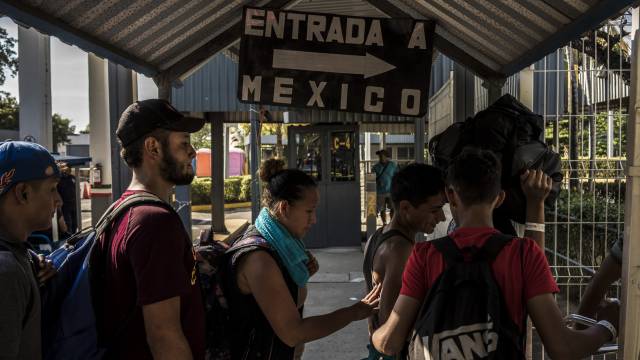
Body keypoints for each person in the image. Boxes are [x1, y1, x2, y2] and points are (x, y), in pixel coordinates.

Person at [371, 148, 619, 359]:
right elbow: (563, 348)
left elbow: (390, 342)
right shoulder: (523, 253)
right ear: (499, 198)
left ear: (451, 195)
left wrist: (374, 329)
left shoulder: (424, 256)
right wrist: (608, 326)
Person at [221, 158, 381, 360]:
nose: (314, 220)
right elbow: (294, 333)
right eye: (309, 211)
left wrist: (297, 276)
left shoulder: (280, 247)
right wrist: (354, 312)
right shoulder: (259, 259)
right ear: (284, 208)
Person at [95, 99, 206, 360]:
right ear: (153, 147)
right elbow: (164, 337)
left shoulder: (122, 211)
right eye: (184, 143)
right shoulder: (155, 223)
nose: (193, 152)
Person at [363, 163, 446, 336]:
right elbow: (391, 325)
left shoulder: (376, 237)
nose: (441, 217)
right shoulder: (400, 251)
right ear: (406, 207)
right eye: (435, 210)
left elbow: (370, 309)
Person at [0, 141, 59, 360]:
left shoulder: (20, 255)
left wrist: (35, 261)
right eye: (52, 189)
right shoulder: (6, 271)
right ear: (23, 193)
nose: (58, 200)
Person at [372, 149, 398, 226]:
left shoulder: (393, 165)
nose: (380, 157)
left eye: (382, 156)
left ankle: (392, 222)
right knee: (381, 209)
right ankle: (384, 223)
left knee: (393, 208)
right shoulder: (375, 167)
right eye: (379, 156)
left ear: (386, 157)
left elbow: (397, 175)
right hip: (380, 192)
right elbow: (372, 178)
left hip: (391, 191)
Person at [56, 162, 77, 234]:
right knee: (68, 223)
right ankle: (69, 238)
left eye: (69, 169)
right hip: (65, 205)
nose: (68, 171)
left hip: (74, 204)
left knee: (75, 223)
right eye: (67, 169)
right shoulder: (59, 179)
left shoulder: (73, 178)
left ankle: (74, 236)